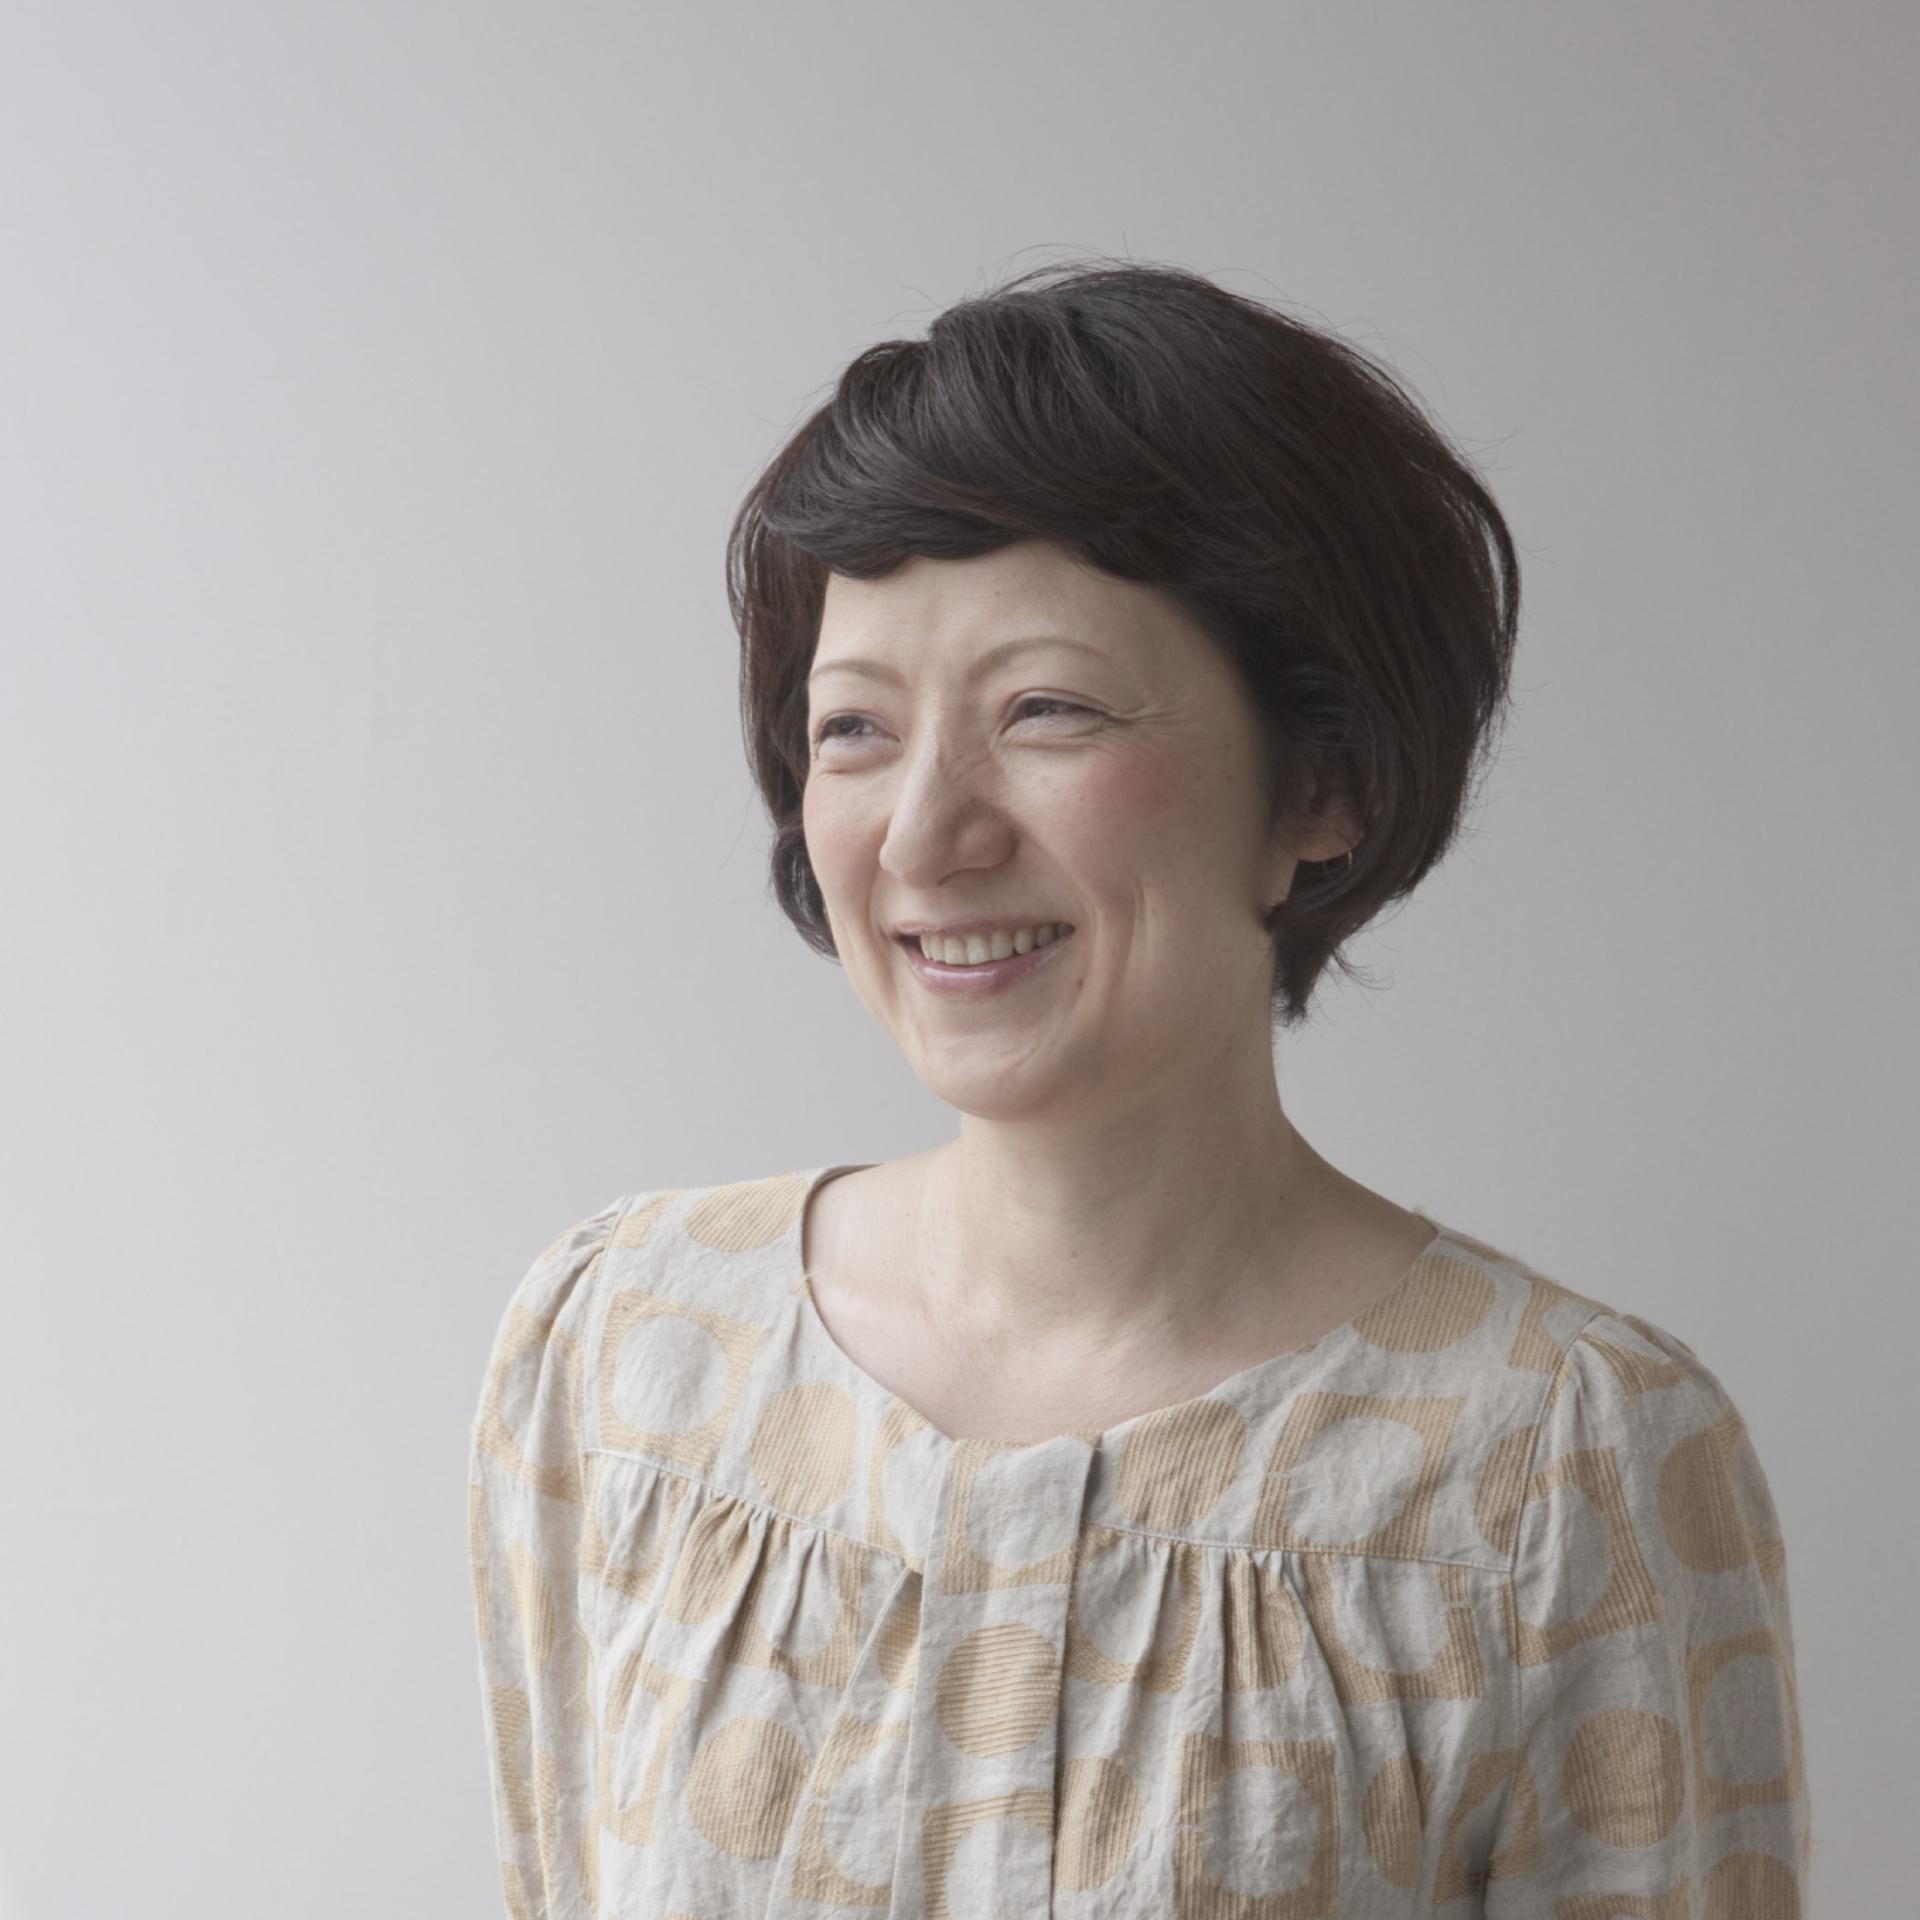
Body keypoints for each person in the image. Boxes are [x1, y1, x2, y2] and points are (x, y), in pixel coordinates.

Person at [468, 258, 1810, 1915]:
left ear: (1323, 779)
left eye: (1046, 710)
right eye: (855, 729)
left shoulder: (1562, 1460)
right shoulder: (625, 1351)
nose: (925, 834)